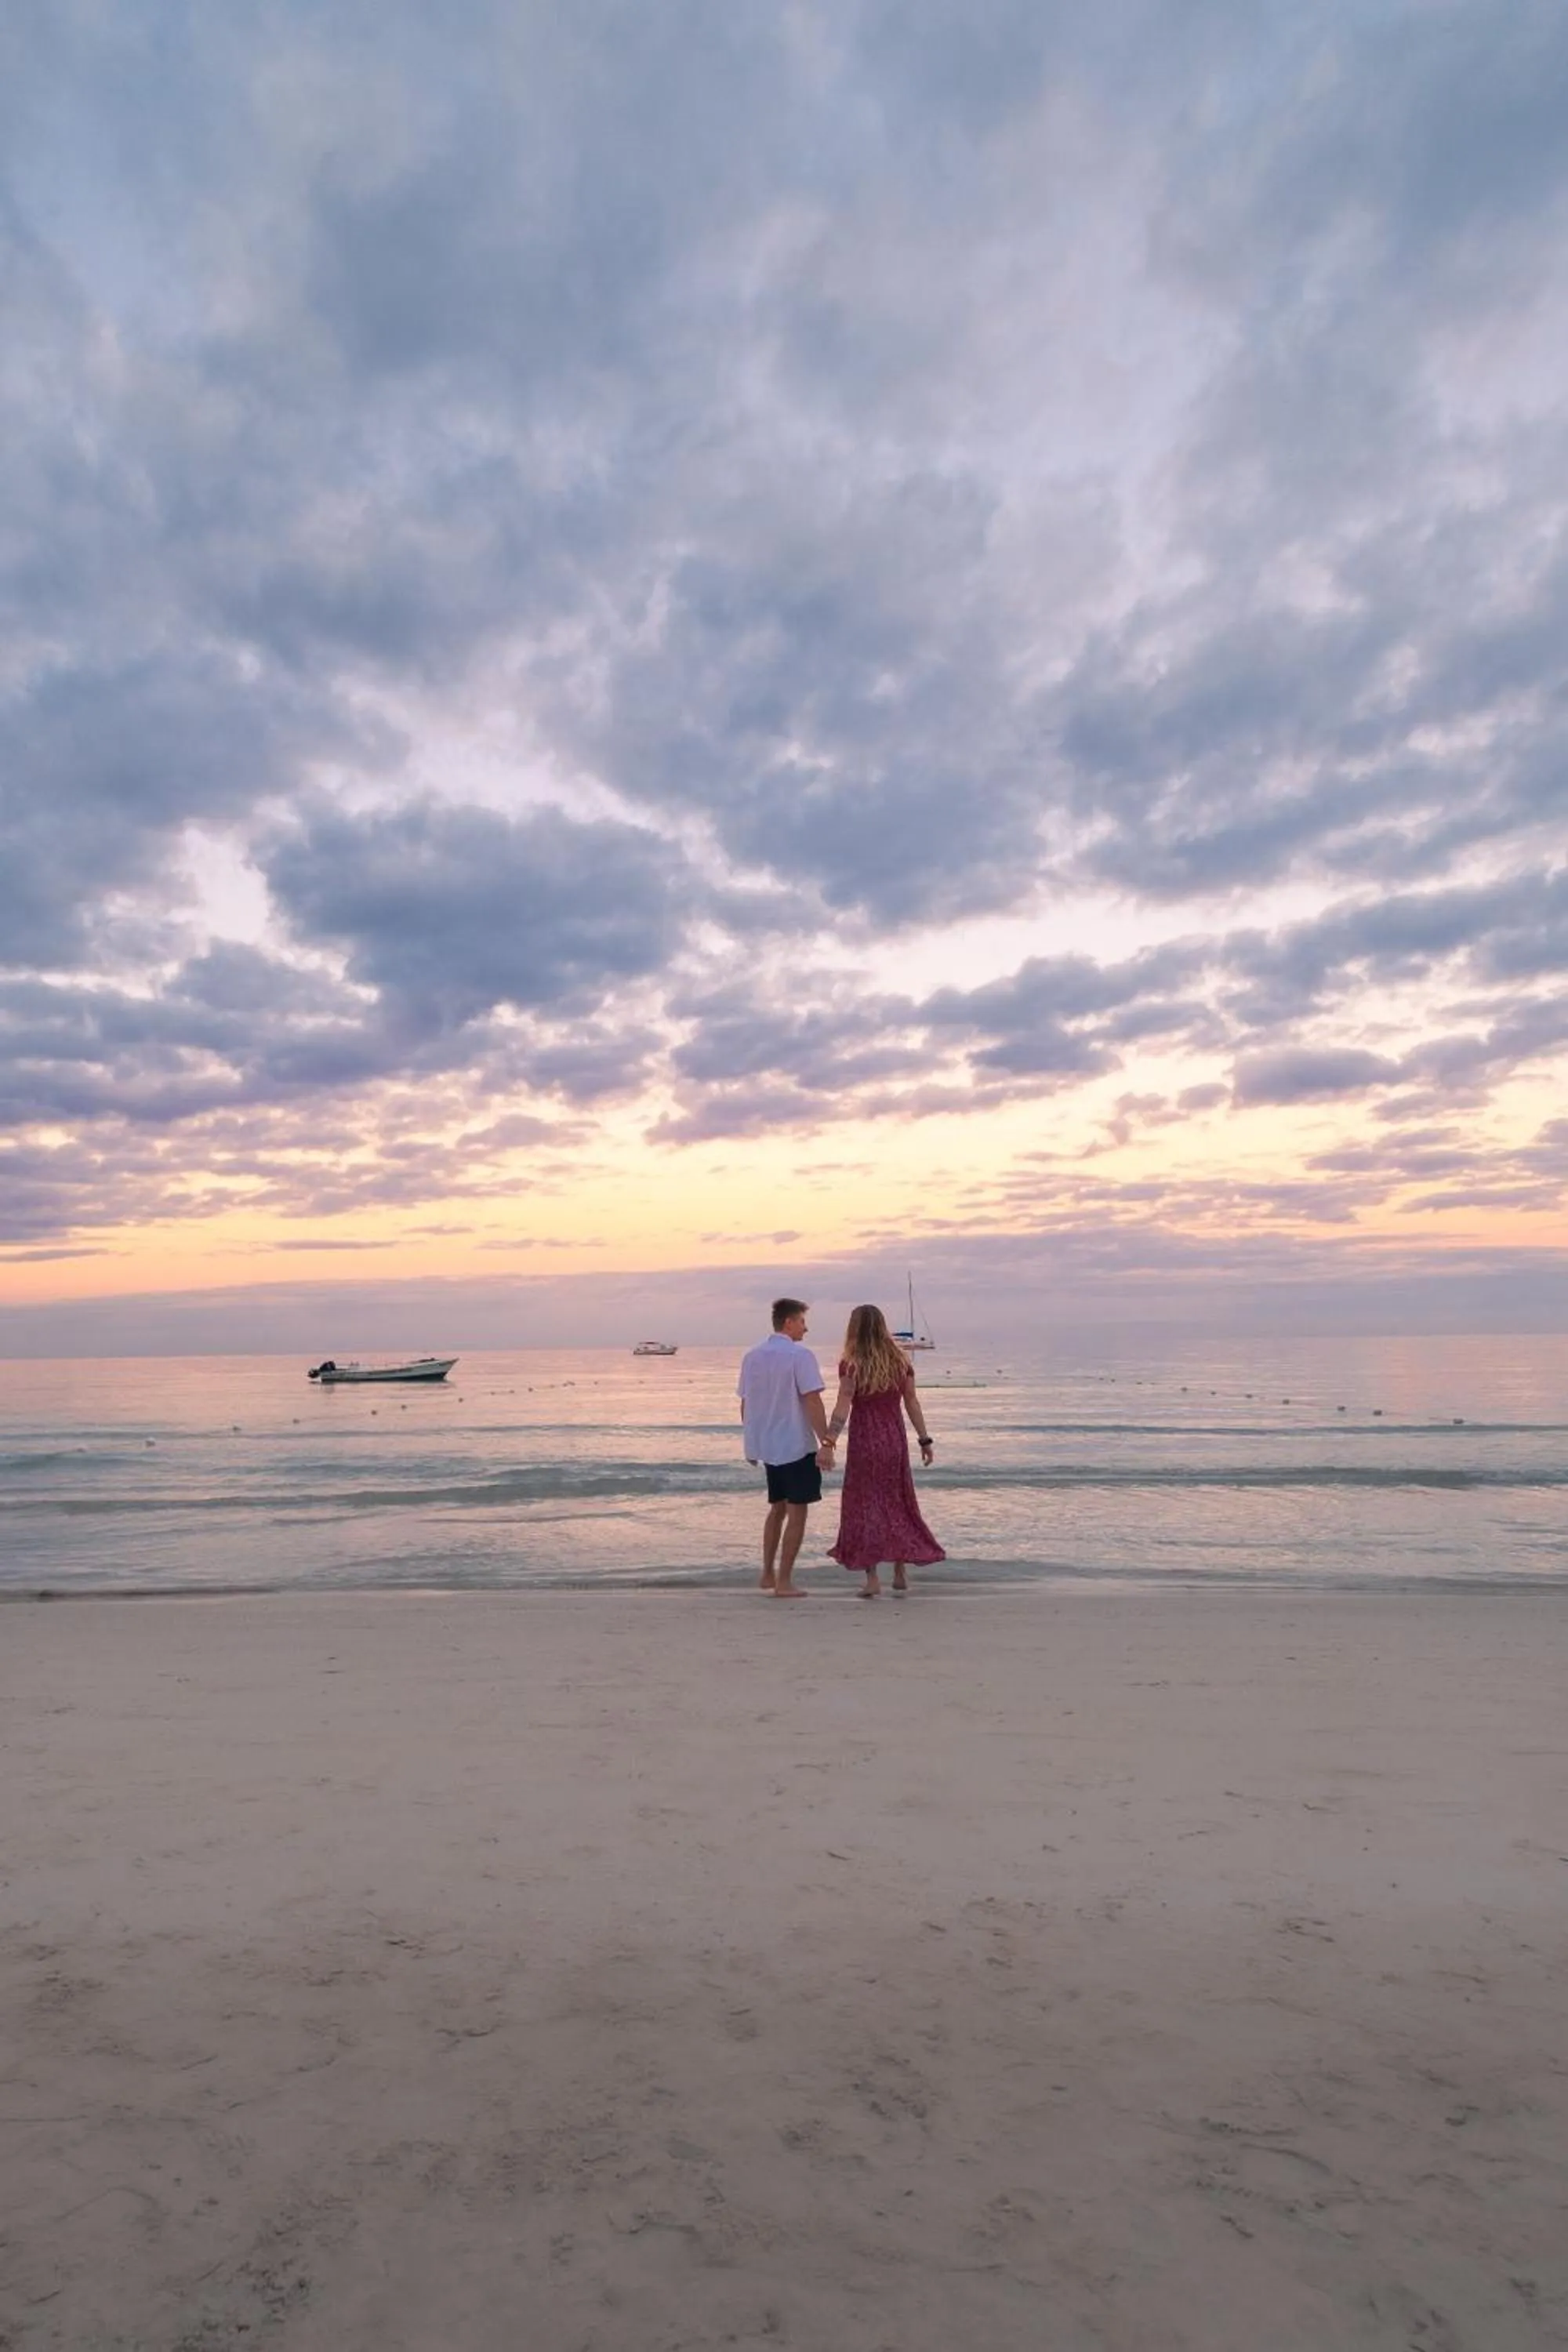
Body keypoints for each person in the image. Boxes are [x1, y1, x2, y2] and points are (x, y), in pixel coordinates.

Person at [823, 1303, 945, 1598]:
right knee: (897, 1503)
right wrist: (925, 1440)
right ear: (882, 1326)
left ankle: (873, 1579)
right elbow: (912, 1402)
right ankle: (900, 1573)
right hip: (894, 1441)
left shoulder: (851, 1364)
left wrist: (828, 1442)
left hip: (865, 1443)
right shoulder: (900, 1361)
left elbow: (843, 1404)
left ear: (854, 1329)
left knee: (866, 1507)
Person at [736, 1298, 834, 1599]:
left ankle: (767, 1573)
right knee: (797, 1512)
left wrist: (752, 1442)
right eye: (803, 1322)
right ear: (789, 1323)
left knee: (777, 1509)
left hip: (768, 1445)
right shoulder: (800, 1356)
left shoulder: (752, 1356)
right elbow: (812, 1400)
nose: (807, 1328)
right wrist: (827, 1442)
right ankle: (784, 1582)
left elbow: (745, 1403)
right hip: (794, 1444)